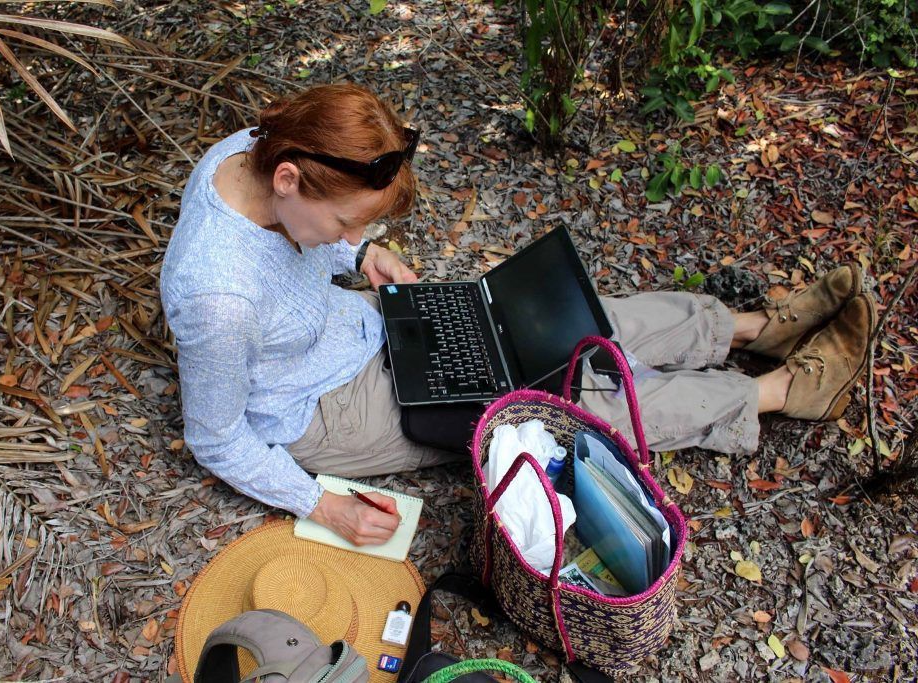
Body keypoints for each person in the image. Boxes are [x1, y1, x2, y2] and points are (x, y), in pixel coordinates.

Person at [160, 83, 875, 547]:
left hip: (362, 327)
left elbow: (311, 244)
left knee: (554, 325)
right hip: (325, 408)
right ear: (289, 177)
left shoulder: (253, 149)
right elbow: (217, 439)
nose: (349, 235)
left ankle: (749, 327)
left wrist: (362, 255)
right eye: (346, 222)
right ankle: (782, 391)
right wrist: (322, 505)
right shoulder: (217, 299)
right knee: (556, 400)